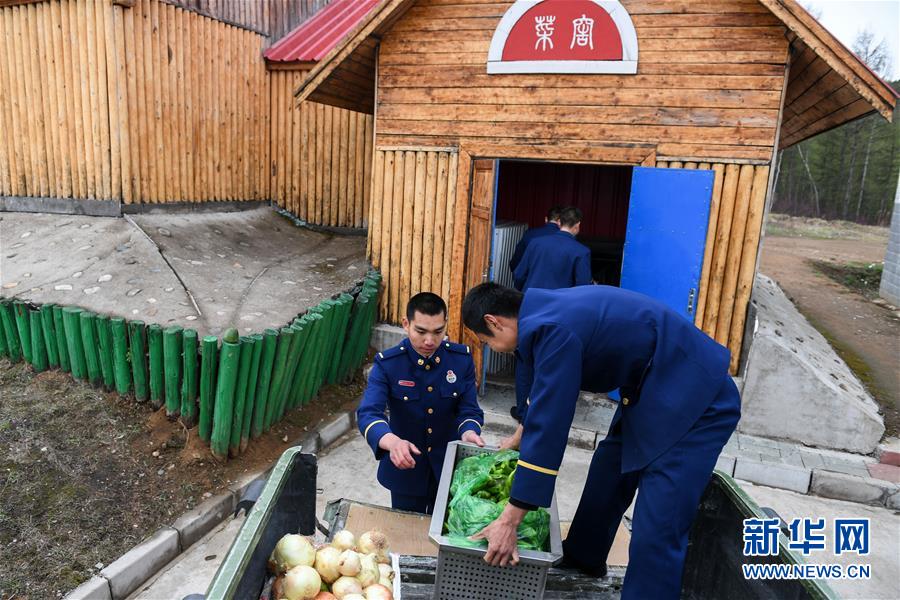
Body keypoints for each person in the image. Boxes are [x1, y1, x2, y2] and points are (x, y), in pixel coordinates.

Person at [461, 283, 741, 600]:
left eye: (487, 341)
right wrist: (519, 436)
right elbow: (541, 397)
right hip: (653, 387)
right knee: (609, 469)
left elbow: (551, 422)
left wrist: (510, 520)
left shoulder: (554, 329)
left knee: (658, 523)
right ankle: (584, 557)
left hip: (698, 397)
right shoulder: (540, 314)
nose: (492, 348)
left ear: (494, 321)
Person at [357, 292, 485, 514]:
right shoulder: (388, 364)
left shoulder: (460, 359)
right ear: (406, 324)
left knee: (446, 534)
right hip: (405, 470)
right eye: (421, 331)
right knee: (407, 536)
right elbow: (369, 413)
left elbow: (469, 409)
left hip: (449, 470)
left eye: (438, 332)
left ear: (446, 325)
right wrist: (392, 442)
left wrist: (469, 432)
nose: (429, 341)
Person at [512, 206, 592, 292]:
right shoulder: (581, 251)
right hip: (560, 303)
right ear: (578, 224)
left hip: (531, 299)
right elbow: (583, 286)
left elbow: (519, 275)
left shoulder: (535, 242)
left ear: (559, 222)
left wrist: (526, 293)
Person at [507, 205, 565, 273]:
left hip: (530, 279)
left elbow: (516, 260)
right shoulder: (567, 239)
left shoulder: (529, 234)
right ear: (561, 221)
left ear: (546, 219)